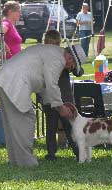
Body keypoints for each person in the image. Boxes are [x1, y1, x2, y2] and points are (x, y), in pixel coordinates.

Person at [0, 43, 87, 167]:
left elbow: (44, 88)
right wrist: (61, 108)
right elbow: (51, 86)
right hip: (13, 82)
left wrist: (57, 106)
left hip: (3, 79)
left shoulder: (52, 52)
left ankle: (15, 160)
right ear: (70, 59)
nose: (69, 69)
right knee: (25, 119)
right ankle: (26, 163)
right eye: (72, 67)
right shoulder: (58, 59)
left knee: (12, 124)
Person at [41, 30, 81, 161]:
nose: (53, 46)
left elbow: (79, 71)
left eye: (55, 44)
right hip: (49, 95)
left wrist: (72, 65)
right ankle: (51, 153)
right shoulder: (41, 56)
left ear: (59, 43)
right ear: (45, 43)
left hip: (64, 96)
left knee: (70, 125)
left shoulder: (64, 54)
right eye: (50, 43)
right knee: (51, 126)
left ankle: (78, 152)